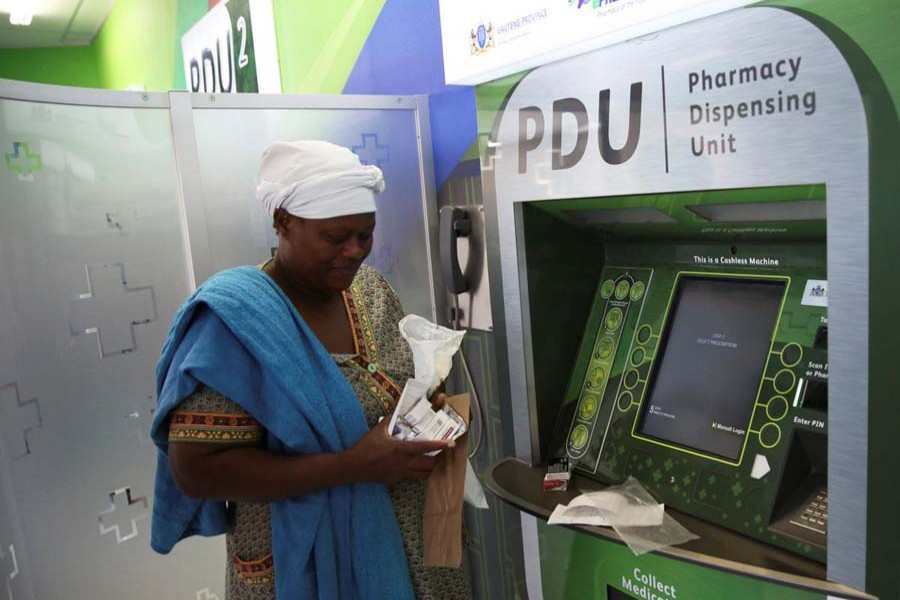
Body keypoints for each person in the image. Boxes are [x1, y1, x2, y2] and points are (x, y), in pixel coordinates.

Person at [150, 141, 471, 600]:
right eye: (335, 236)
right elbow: (196, 471)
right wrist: (351, 466)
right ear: (283, 221)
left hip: (410, 548)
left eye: (365, 234)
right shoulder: (236, 322)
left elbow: (390, 390)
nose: (354, 251)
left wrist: (425, 413)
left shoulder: (371, 291)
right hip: (301, 564)